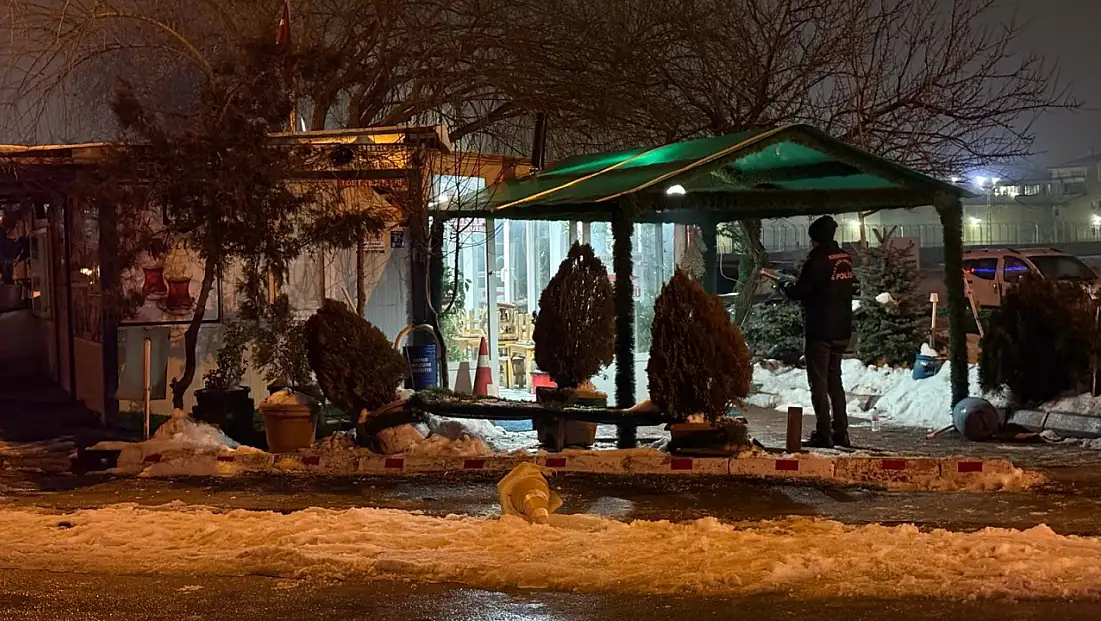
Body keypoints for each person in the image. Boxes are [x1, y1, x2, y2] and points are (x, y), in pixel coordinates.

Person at [780, 215, 857, 448]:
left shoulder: (816, 260)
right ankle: (841, 432)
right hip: (842, 328)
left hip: (820, 330)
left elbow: (800, 291)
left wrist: (784, 286)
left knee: (819, 383)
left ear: (815, 238)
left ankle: (824, 434)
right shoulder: (844, 257)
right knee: (835, 382)